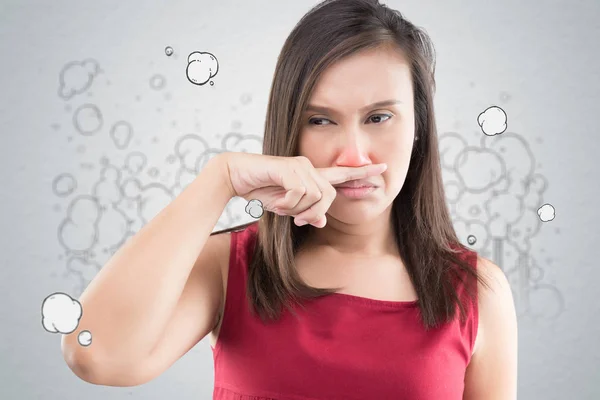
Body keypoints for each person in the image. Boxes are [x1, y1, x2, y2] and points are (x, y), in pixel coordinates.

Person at [61, 0, 518, 398]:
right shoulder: (231, 267)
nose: (354, 154)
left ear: (418, 125)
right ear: (290, 131)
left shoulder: (477, 291)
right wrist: (218, 180)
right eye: (320, 121)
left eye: (379, 117)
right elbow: (93, 353)